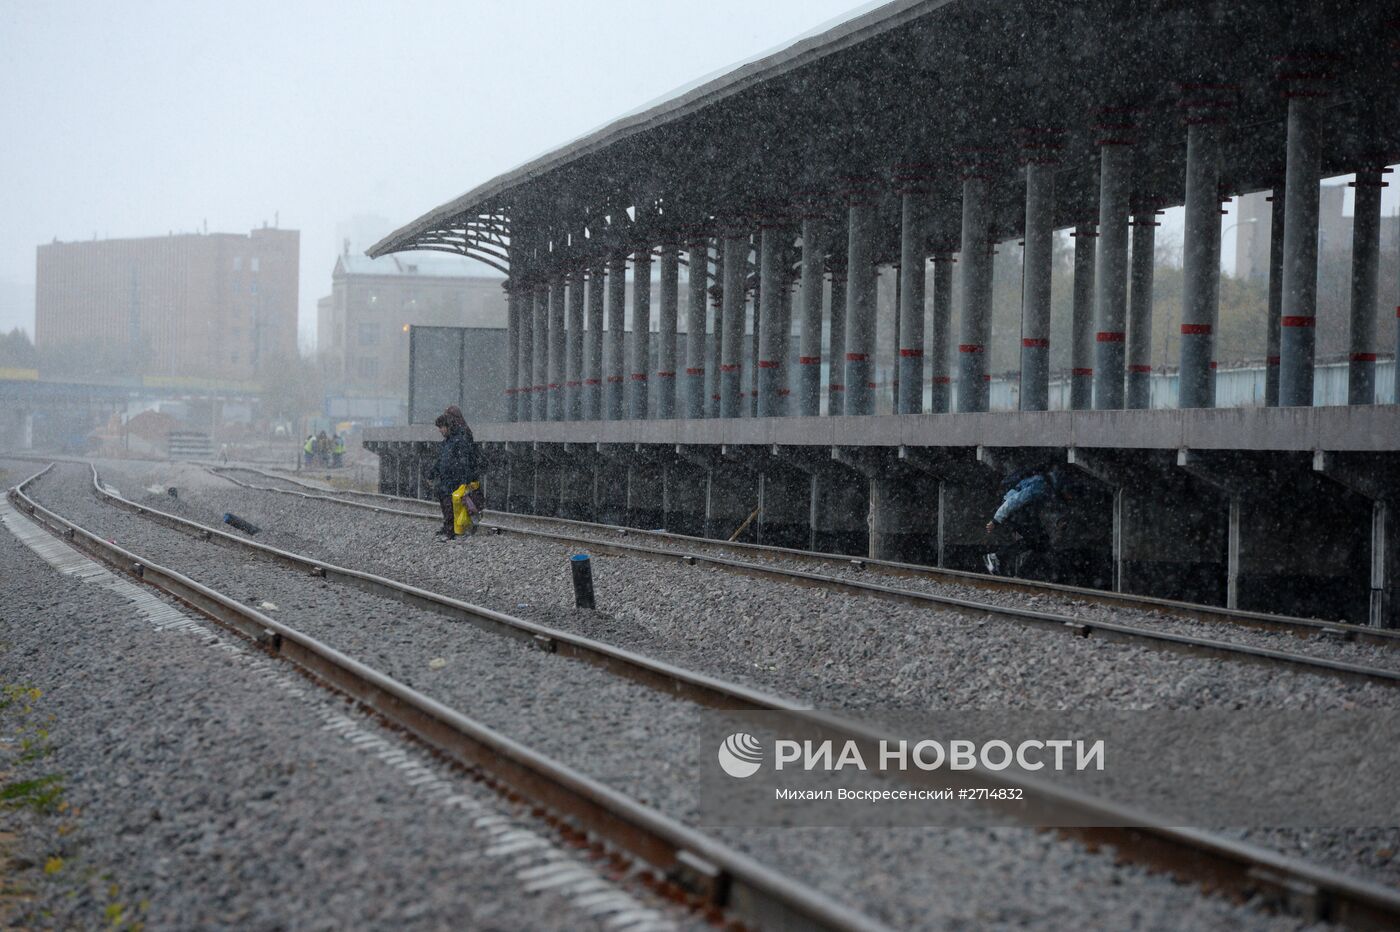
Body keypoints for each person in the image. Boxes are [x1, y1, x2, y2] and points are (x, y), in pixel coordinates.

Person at [983, 467, 1068, 577]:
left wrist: (1059, 520)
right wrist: (996, 520)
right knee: (1037, 541)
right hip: (1017, 512)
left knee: (1042, 544)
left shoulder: (1048, 486)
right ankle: (997, 557)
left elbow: (1052, 507)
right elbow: (1014, 501)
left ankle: (1022, 574)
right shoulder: (1040, 485)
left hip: (1025, 514)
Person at [428, 405, 480, 541]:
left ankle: (452, 529)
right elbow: (442, 460)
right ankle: (450, 527)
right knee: (447, 501)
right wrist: (433, 473)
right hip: (449, 477)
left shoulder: (460, 437)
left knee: (451, 503)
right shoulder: (451, 439)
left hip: (455, 478)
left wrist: (465, 478)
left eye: (441, 427)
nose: (440, 430)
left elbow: (464, 459)